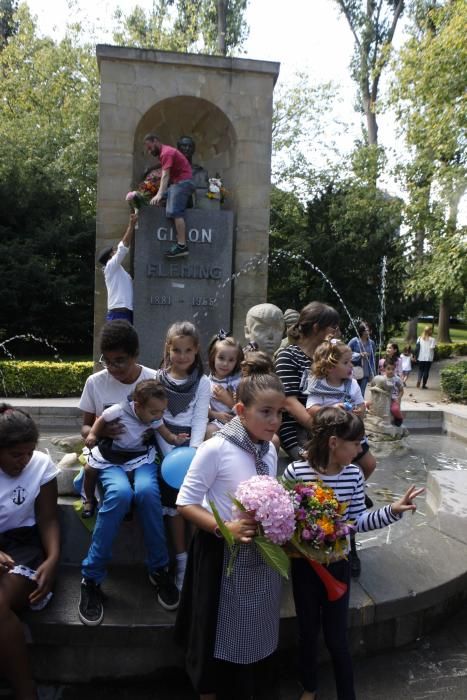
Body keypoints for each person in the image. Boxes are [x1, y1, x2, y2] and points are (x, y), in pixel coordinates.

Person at [283, 406, 424, 700]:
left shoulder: (353, 476)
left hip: (337, 564)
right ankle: (309, 688)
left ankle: (347, 693)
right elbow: (286, 521)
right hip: (304, 566)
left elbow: (357, 521)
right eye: (356, 444)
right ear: (334, 442)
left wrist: (392, 511)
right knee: (307, 632)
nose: (361, 450)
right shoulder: (296, 472)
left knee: (337, 638)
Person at [175, 360, 287, 699]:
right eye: (266, 412)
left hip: (259, 553)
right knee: (213, 628)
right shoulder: (217, 448)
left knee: (255, 623)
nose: (275, 421)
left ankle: (248, 683)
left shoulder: (269, 450)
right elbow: (185, 503)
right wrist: (224, 528)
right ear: (240, 410)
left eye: (280, 413)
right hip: (218, 551)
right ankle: (208, 690)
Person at [77, 320, 179, 625]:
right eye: (107, 361)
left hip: (142, 458)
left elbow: (161, 420)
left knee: (148, 492)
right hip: (109, 459)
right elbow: (84, 428)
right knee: (120, 494)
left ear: (135, 354)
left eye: (119, 360)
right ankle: (91, 578)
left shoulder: (152, 379)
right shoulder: (96, 382)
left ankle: (159, 568)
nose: (112, 367)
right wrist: (98, 430)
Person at [0, 404, 60, 700]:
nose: (24, 461)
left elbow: (48, 518)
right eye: (14, 455)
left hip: (23, 548)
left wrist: (52, 560)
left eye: (28, 452)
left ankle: (26, 693)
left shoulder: (40, 464)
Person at [305, 338, 377, 576]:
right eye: (346, 362)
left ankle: (356, 491)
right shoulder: (317, 384)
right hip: (327, 442)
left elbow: (360, 410)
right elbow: (311, 410)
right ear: (329, 365)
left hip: (349, 437)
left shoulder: (353, 385)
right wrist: (332, 408)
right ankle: (346, 543)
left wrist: (360, 411)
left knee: (368, 463)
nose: (351, 366)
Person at [81, 379, 189, 517]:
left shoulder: (155, 419)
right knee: (89, 470)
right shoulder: (119, 410)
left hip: (136, 454)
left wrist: (176, 439)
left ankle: (129, 506)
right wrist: (93, 434)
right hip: (112, 450)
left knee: (133, 480)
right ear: (137, 406)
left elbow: (166, 435)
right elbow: (102, 419)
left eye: (162, 411)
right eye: (154, 412)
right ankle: (88, 499)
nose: (159, 416)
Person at [155, 321, 210, 590]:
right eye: (177, 350)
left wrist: (193, 454)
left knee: (194, 503)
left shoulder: (203, 382)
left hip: (192, 449)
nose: (182, 356)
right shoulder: (157, 379)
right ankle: (180, 559)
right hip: (164, 447)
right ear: (168, 348)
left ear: (196, 350)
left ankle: (196, 560)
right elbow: (157, 419)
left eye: (188, 350)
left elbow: (200, 419)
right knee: (174, 507)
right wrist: (169, 454)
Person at [274, 301, 341, 460]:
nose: (337, 332)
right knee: (325, 461)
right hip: (297, 428)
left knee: (366, 462)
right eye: (333, 327)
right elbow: (289, 402)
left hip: (326, 422)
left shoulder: (327, 358)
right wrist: (320, 430)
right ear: (317, 328)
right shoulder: (288, 356)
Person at [143, 133, 194, 259]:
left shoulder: (166, 153)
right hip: (177, 185)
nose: (149, 151)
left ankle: (182, 246)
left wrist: (160, 194)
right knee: (154, 201)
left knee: (175, 211)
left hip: (184, 183)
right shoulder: (163, 154)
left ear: (156, 141)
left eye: (150, 148)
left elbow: (165, 176)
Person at [97, 212, 137, 324]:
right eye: (113, 251)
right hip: (118, 312)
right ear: (110, 256)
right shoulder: (110, 266)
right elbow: (123, 248)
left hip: (125, 311)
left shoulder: (118, 271)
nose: (115, 252)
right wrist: (131, 225)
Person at [206, 331, 244, 439]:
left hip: (238, 423)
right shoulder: (206, 381)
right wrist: (215, 414)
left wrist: (228, 400)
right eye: (221, 358)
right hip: (215, 421)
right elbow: (201, 409)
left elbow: (246, 412)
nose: (225, 364)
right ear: (213, 357)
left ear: (236, 362)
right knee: (209, 430)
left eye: (231, 360)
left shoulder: (238, 382)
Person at [347, 322, 376, 397]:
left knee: (361, 392)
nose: (367, 332)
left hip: (366, 372)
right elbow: (346, 353)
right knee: (352, 392)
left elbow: (372, 359)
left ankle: (360, 408)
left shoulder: (371, 343)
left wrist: (372, 373)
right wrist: (359, 355)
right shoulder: (354, 341)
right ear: (361, 331)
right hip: (354, 370)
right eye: (365, 330)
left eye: (369, 330)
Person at [378, 358, 404, 427]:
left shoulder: (397, 379)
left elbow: (401, 390)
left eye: (393, 369)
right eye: (388, 369)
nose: (391, 371)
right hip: (384, 397)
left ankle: (399, 418)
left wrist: (398, 398)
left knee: (395, 409)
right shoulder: (382, 378)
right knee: (370, 404)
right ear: (384, 369)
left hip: (393, 398)